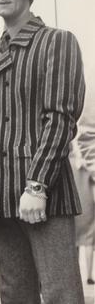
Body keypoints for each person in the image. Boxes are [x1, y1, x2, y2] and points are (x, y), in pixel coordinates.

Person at [0, 0, 86, 304]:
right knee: (14, 294)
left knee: (60, 293)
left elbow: (60, 118)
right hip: (1, 191)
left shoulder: (56, 41)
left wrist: (37, 186)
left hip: (44, 191)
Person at [75, 114, 95, 285]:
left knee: (71, 242)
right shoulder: (90, 160)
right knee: (89, 241)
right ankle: (89, 275)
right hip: (88, 205)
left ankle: (74, 276)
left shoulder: (68, 160)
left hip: (73, 204)